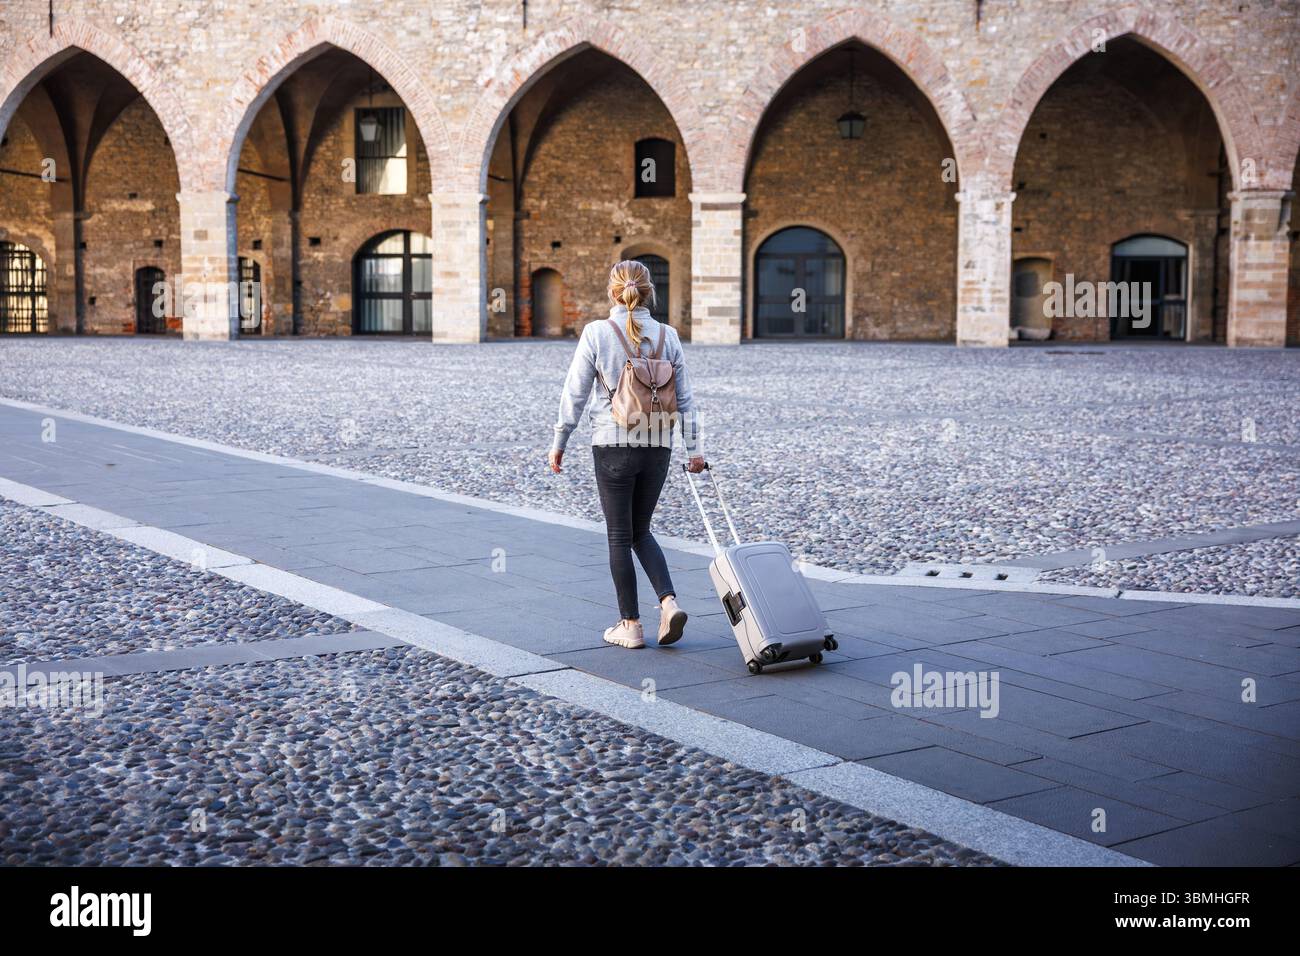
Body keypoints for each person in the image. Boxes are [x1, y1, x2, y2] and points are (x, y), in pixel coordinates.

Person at [548, 260, 705, 649]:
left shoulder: (597, 332)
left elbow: (576, 392)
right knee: (641, 531)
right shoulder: (668, 335)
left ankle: (630, 625)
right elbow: (685, 399)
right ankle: (668, 603)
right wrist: (696, 449)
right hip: (658, 446)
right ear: (649, 292)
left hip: (613, 442)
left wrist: (560, 439)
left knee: (620, 535)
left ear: (611, 292)